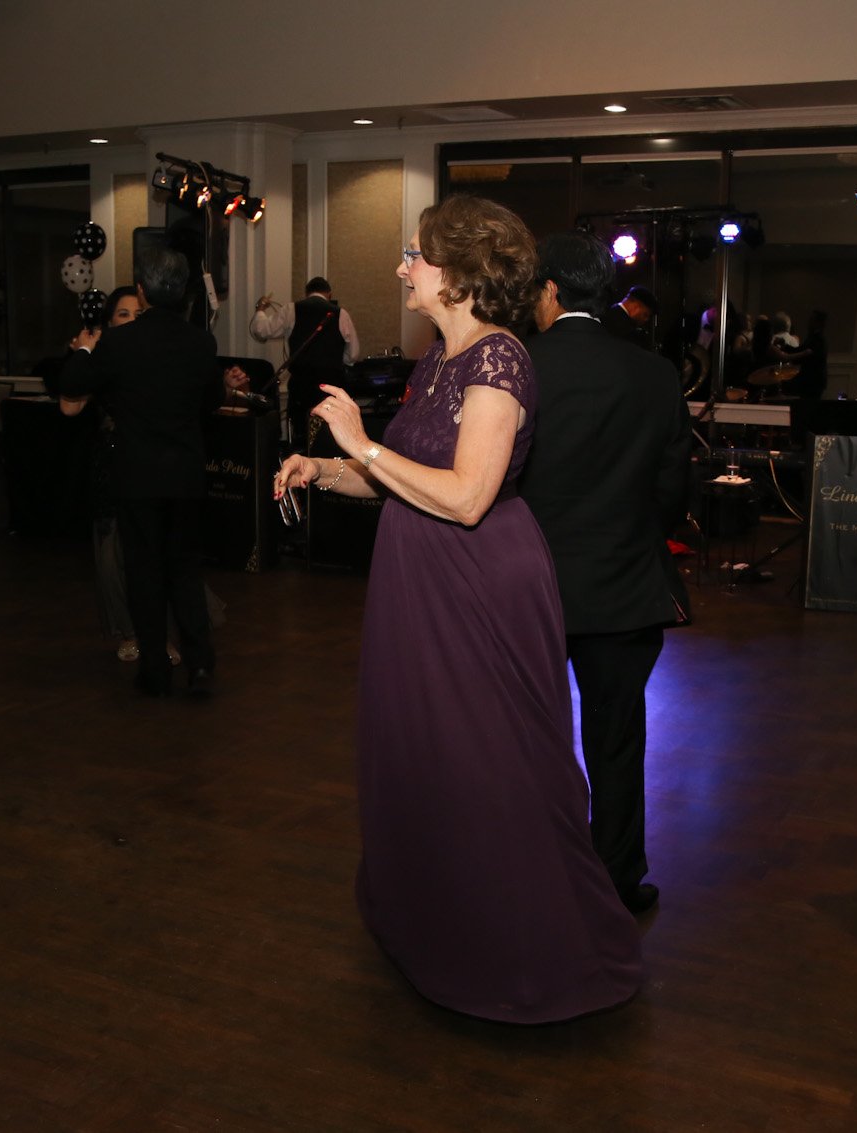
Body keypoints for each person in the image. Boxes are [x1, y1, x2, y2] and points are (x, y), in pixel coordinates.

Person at [274, 197, 642, 1023]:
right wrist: (322, 468)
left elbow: (470, 495)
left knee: (492, 766)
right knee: (430, 755)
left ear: (462, 270)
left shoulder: (500, 359)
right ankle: (438, 927)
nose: (402, 267)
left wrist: (361, 442)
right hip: (421, 577)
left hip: (478, 583)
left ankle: (529, 953)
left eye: (414, 254)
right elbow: (405, 475)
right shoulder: (441, 358)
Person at [520, 230, 693, 916]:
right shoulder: (655, 374)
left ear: (549, 290)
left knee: (527, 735)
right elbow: (672, 492)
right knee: (617, 738)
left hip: (530, 587)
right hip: (625, 585)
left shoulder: (519, 368)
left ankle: (534, 870)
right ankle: (618, 878)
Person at [60, 248, 230, 698]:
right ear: (184, 292)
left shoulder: (120, 343)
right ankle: (199, 664)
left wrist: (84, 348)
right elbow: (213, 401)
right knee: (185, 571)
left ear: (142, 291)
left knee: (144, 572)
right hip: (186, 476)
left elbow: (72, 385)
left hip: (137, 476)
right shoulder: (200, 342)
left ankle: (155, 670)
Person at [58, 285, 176, 665]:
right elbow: (69, 408)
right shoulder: (101, 360)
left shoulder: (156, 358)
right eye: (123, 314)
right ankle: (129, 632)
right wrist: (83, 353)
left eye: (138, 315)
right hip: (110, 467)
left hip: (151, 466)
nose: (131, 321)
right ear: (109, 323)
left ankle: (161, 636)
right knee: (112, 559)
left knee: (152, 555)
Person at [249, 276, 360, 449]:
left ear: (307, 293)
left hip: (301, 385)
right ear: (329, 294)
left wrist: (260, 310)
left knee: (300, 430)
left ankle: (300, 455)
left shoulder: (291, 309)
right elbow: (352, 355)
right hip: (330, 386)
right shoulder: (341, 313)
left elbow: (262, 330)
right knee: (328, 433)